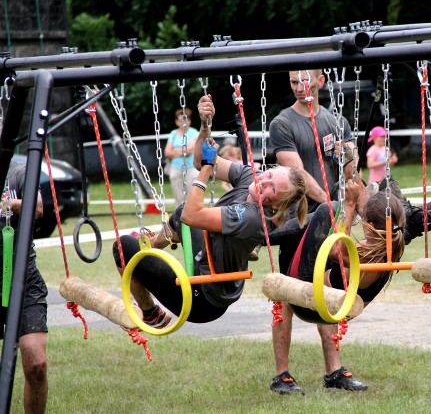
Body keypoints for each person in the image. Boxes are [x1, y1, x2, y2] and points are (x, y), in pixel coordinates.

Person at [113, 95, 308, 326]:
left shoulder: (253, 217)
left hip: (204, 301)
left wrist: (207, 168)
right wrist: (206, 126)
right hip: (206, 261)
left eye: (272, 188)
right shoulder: (249, 176)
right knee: (179, 215)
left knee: (124, 247)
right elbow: (199, 161)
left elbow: (193, 213)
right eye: (269, 175)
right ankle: (152, 245)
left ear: (275, 205)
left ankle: (149, 312)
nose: (264, 182)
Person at [268, 69, 362, 394]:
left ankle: (334, 370)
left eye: (305, 81)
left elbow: (351, 171)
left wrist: (351, 163)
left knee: (325, 290)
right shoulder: (282, 123)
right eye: (294, 82)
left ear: (321, 81)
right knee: (285, 296)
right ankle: (282, 374)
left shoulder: (338, 122)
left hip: (329, 222)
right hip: (297, 222)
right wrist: (329, 206)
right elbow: (297, 173)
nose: (299, 88)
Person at [1, 161, 48, 414]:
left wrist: (9, 204)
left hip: (24, 279)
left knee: (36, 364)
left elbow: (38, 208)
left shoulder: (17, 173)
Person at [164, 107, 200, 207]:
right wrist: (181, 151)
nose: (183, 123)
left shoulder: (193, 132)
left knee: (192, 193)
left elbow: (189, 150)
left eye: (186, 120)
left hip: (191, 168)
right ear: (177, 122)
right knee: (178, 195)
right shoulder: (173, 134)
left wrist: (175, 151)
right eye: (181, 120)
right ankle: (179, 216)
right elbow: (167, 152)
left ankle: (193, 214)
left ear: (190, 121)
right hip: (176, 168)